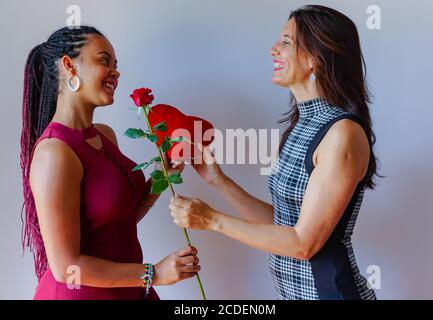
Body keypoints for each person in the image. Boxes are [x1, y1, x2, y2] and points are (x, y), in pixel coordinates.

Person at [169, 5, 379, 300]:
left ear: (316, 59)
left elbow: (303, 243)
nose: (272, 50)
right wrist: (218, 180)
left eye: (286, 42)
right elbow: (283, 223)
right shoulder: (302, 123)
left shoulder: (342, 134)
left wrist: (212, 220)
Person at [20, 26, 200, 300]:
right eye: (104, 61)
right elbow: (67, 268)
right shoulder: (54, 153)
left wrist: (160, 179)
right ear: (70, 66)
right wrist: (154, 274)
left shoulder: (105, 135)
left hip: (126, 290)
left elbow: (115, 222)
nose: (115, 72)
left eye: (116, 65)